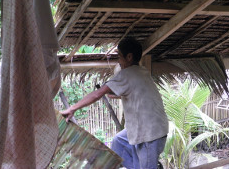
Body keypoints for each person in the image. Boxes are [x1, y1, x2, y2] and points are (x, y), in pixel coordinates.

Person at [60, 38, 169, 169]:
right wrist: (114, 94)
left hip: (150, 134)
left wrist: (72, 108)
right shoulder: (142, 72)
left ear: (129, 57)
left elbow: (96, 94)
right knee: (119, 142)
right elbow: (135, 95)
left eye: (119, 56)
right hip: (153, 128)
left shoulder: (127, 74)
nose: (118, 61)